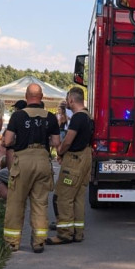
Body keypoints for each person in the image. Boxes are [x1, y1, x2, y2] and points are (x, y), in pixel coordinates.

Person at [1, 84, 60, 253]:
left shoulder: (17, 116)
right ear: (41, 97)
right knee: (40, 203)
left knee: (16, 202)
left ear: (26, 96)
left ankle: (13, 242)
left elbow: (8, 140)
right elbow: (56, 143)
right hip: (42, 160)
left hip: (23, 161)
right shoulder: (51, 117)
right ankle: (39, 242)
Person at [46, 86, 93, 245]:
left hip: (73, 161)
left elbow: (68, 140)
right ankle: (78, 233)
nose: (67, 102)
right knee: (78, 197)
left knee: (63, 197)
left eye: (67, 100)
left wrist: (59, 152)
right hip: (85, 159)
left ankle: (64, 234)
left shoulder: (78, 118)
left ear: (71, 100)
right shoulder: (88, 116)